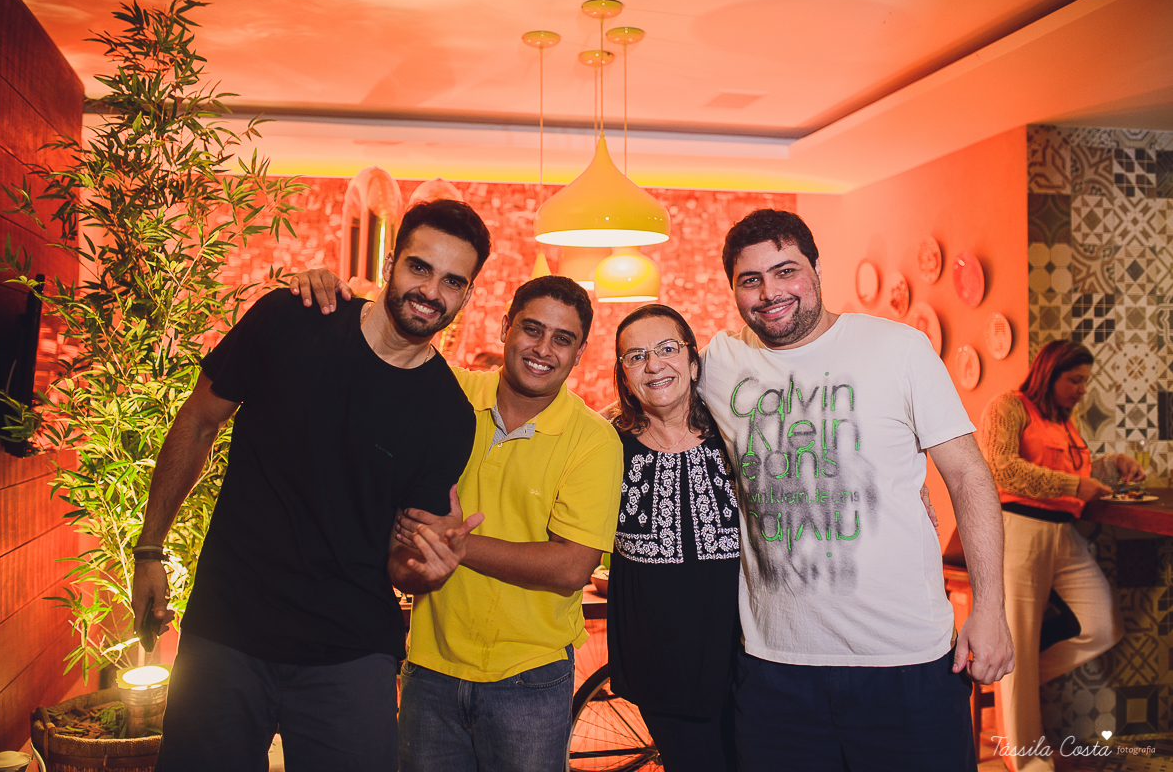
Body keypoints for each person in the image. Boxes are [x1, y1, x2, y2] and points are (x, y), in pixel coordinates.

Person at [132, 199, 492, 772]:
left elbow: (400, 563)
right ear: (391, 262)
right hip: (228, 627)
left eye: (453, 281)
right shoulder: (292, 318)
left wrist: (429, 568)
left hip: (350, 654)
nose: (431, 291)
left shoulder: (448, 416)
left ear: (467, 295)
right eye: (420, 267)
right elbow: (198, 421)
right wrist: (150, 547)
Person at [694, 209, 1015, 771]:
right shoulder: (721, 362)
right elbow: (642, 408)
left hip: (906, 661)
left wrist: (990, 608)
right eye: (751, 280)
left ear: (817, 270)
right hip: (775, 670)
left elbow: (968, 475)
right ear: (734, 290)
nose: (770, 293)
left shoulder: (899, 349)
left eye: (786, 271)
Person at [298, 271, 624, 772]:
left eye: (563, 339)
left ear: (579, 352)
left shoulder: (594, 440)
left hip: (531, 678)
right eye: (532, 329)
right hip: (430, 668)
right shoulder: (449, 393)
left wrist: (455, 543)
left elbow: (571, 567)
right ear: (505, 327)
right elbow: (373, 360)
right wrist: (326, 298)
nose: (544, 349)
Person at [978, 340, 1138, 771]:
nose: (1082, 390)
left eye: (1085, 381)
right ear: (1049, 373)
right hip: (1019, 530)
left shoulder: (1064, 422)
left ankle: (1012, 680)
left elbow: (1072, 474)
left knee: (1102, 623)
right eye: (1075, 380)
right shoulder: (1009, 406)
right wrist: (1074, 486)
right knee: (1017, 635)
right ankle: (1025, 760)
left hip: (1062, 532)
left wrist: (1113, 465)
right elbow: (1001, 469)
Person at [606, 303, 740, 772]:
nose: (653, 364)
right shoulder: (605, 447)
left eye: (667, 349)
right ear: (625, 377)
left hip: (749, 660)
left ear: (693, 363)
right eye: (636, 356)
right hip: (657, 664)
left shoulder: (737, 435)